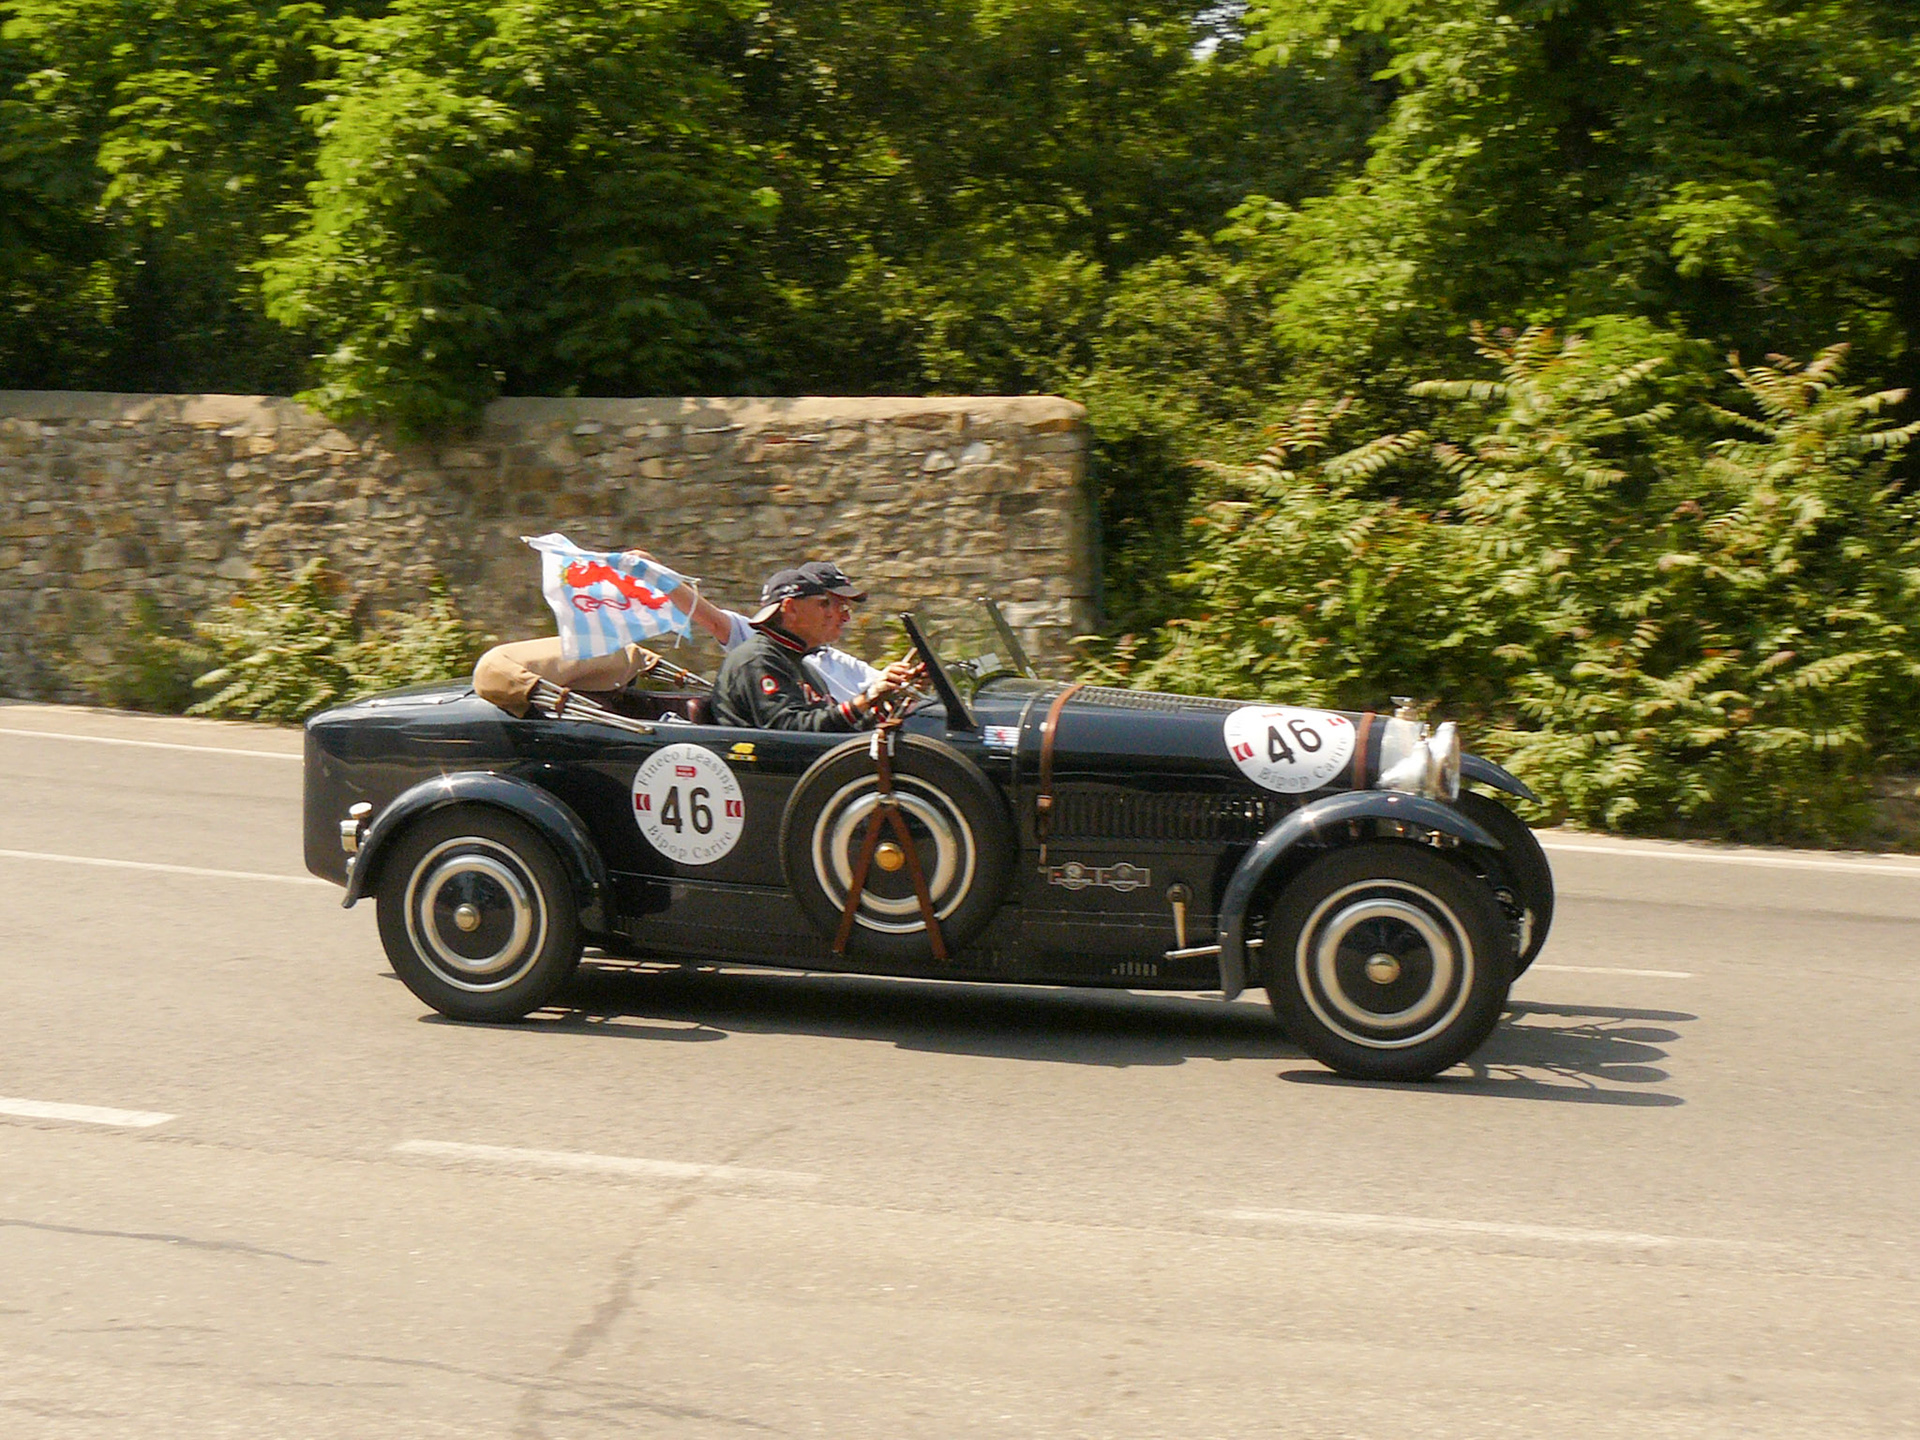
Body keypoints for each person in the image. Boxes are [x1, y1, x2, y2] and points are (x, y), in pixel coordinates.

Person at [621, 548, 912, 705]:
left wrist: (900, 679)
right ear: (796, 608)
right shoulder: (759, 646)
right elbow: (708, 617)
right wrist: (653, 572)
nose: (845, 616)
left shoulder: (836, 660)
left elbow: (882, 687)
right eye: (832, 605)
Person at [711, 563, 919, 730]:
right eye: (823, 604)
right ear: (790, 608)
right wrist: (866, 698)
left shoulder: (802, 664)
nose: (832, 614)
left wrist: (889, 700)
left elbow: (834, 730)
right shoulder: (757, 659)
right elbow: (788, 730)